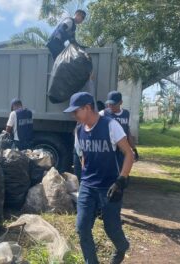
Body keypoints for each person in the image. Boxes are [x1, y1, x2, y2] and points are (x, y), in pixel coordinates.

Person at [64, 92, 134, 264]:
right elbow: (82, 156)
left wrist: (121, 179)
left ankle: (122, 246)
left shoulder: (110, 125)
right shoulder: (79, 130)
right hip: (88, 186)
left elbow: (129, 153)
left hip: (110, 186)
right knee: (82, 228)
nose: (74, 115)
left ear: (87, 107)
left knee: (111, 227)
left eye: (76, 111)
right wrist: (86, 177)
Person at [100, 91, 139, 169]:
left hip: (122, 150)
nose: (110, 106)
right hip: (108, 150)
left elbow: (128, 133)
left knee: (123, 170)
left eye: (113, 104)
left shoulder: (126, 114)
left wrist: (134, 149)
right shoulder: (103, 113)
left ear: (121, 102)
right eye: (109, 104)